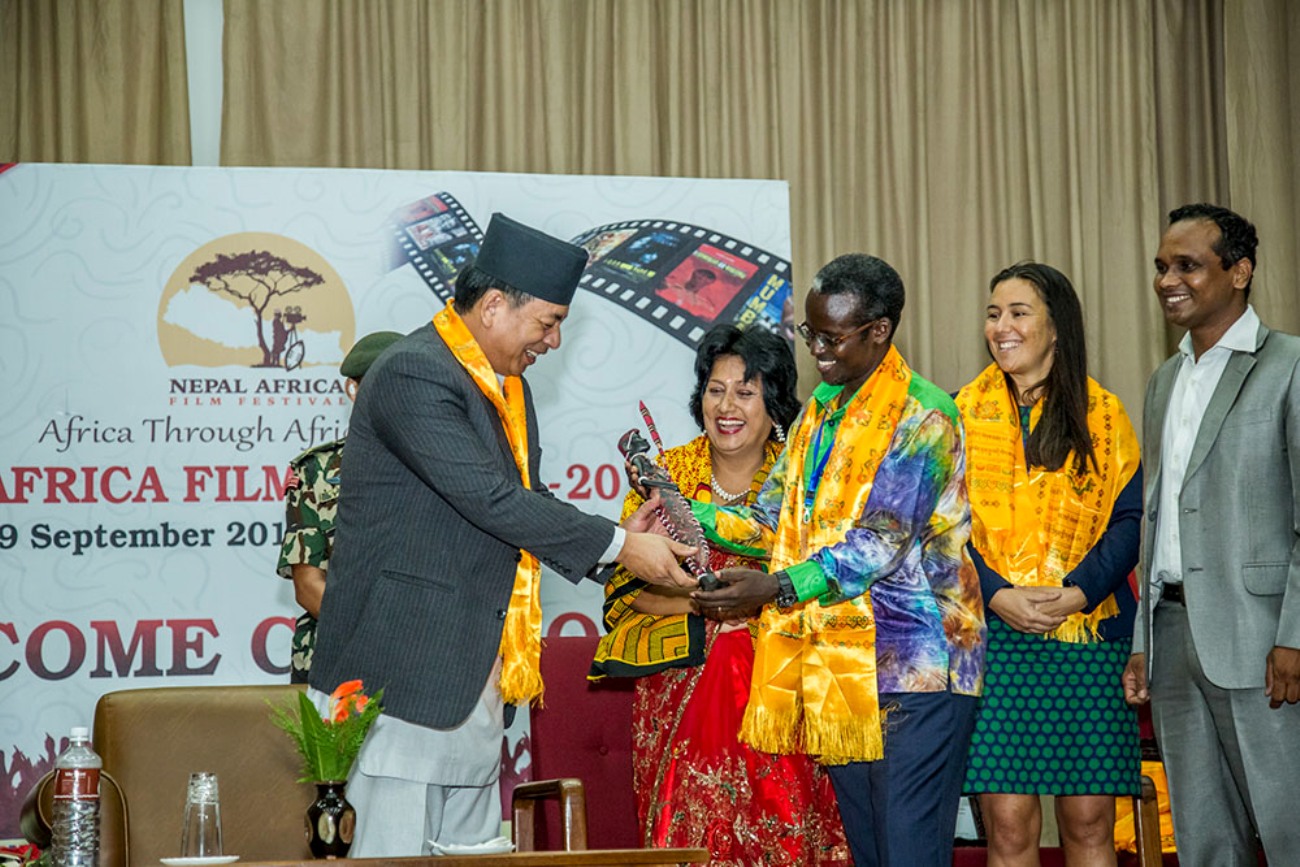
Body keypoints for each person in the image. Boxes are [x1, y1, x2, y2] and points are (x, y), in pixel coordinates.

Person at [308, 213, 698, 857]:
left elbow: (524, 500)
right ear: (493, 305)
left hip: (473, 679)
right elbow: (488, 499)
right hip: (404, 675)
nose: (553, 340)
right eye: (548, 321)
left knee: (468, 856)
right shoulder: (414, 372)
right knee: (395, 851)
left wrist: (617, 539)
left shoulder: (504, 386)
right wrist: (623, 548)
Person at [691, 253, 987, 867]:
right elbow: (773, 517)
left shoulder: (924, 414)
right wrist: (683, 510)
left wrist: (773, 589)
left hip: (918, 667)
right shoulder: (822, 409)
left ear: (879, 330)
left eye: (831, 337)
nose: (817, 352)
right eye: (811, 334)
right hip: (838, 667)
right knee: (872, 852)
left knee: (909, 849)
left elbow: (877, 544)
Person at [591, 324, 850, 865]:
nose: (727, 406)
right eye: (715, 389)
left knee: (744, 652)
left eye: (746, 391)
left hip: (785, 667)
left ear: (774, 403)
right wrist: (704, 608)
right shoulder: (669, 477)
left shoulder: (805, 480)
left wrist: (753, 615)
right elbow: (625, 592)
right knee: (726, 649)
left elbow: (828, 580)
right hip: (680, 667)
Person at [1122, 203, 1300, 863]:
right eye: (1162, 266)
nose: (1168, 279)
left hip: (1263, 643)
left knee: (1287, 827)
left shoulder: (1289, 365)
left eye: (1188, 265)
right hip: (1172, 636)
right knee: (1201, 838)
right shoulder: (1166, 379)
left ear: (1241, 271)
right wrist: (1144, 638)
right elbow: (1159, 514)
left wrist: (1294, 637)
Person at [956, 262, 1142, 866]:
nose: (1001, 326)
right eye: (993, 313)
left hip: (1086, 636)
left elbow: (1131, 521)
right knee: (1008, 826)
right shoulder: (957, 415)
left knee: (1089, 823)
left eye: (1017, 312)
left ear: (1056, 327)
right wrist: (997, 593)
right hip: (992, 636)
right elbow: (938, 529)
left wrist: (1080, 592)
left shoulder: (1105, 416)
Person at [275, 330, 404, 683]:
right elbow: (308, 584)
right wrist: (383, 645)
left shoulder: (447, 467)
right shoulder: (316, 471)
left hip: (427, 666)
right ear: (354, 390)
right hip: (338, 659)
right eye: (380, 385)